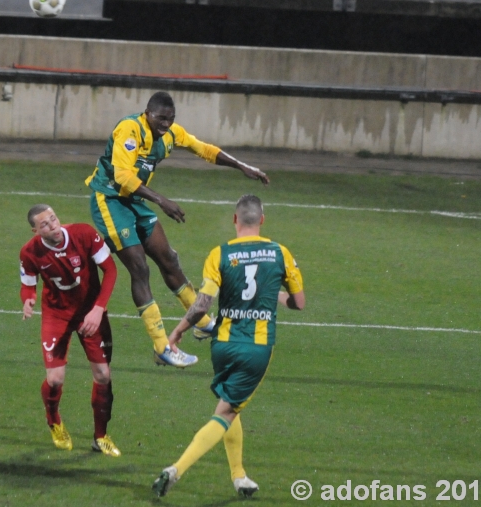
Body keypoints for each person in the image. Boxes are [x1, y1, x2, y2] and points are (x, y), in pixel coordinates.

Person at [85, 91, 270, 369]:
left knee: (168, 259)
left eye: (170, 119)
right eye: (161, 118)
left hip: (135, 200)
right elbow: (122, 176)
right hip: (110, 201)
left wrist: (241, 165)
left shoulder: (171, 134)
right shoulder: (130, 129)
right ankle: (162, 347)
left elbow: (203, 149)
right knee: (139, 268)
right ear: (147, 113)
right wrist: (162, 201)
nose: (166, 124)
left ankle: (204, 323)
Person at [152, 194, 305, 499]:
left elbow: (201, 304)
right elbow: (298, 303)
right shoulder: (280, 253)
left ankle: (239, 477)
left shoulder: (219, 254)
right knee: (225, 413)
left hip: (223, 345)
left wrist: (178, 331)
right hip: (256, 349)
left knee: (229, 406)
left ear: (236, 220)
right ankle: (176, 470)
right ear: (262, 220)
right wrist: (274, 294)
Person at [20, 204, 121, 457]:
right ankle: (53, 420)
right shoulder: (30, 252)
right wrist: (29, 299)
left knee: (103, 376)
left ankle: (100, 436)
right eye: (44, 224)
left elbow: (110, 270)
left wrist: (98, 309)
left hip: (90, 313)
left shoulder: (84, 234)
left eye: (54, 219)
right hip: (57, 315)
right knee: (55, 379)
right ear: (35, 230)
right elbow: (28, 284)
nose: (53, 225)